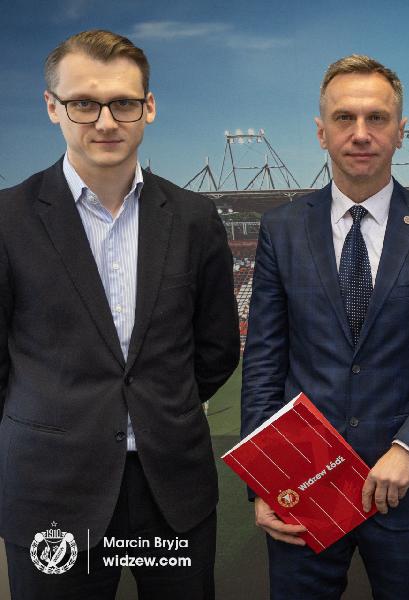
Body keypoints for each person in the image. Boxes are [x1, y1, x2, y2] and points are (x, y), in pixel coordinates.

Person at [240, 54, 409, 600]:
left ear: (401, 131)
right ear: (321, 132)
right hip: (302, 482)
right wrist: (266, 478)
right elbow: (264, 361)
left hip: (404, 486)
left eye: (377, 118)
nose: (361, 133)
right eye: (344, 118)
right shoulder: (282, 229)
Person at [0, 29, 240, 599]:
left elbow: (216, 349)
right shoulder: (8, 219)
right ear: (52, 106)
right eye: (84, 103)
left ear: (148, 107)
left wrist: (160, 405)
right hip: (53, 490)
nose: (106, 121)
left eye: (123, 103)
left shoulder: (194, 217)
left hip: (171, 488)